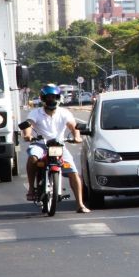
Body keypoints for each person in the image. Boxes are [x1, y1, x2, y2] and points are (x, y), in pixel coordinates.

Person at [22, 84, 91, 213]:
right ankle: (31, 188)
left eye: (54, 97)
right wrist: (27, 135)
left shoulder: (64, 113)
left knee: (74, 173)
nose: (51, 100)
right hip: (40, 144)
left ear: (58, 98)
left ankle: (80, 204)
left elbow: (73, 126)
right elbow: (28, 124)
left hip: (59, 146)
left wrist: (77, 137)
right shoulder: (35, 112)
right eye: (48, 97)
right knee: (32, 158)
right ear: (43, 98)